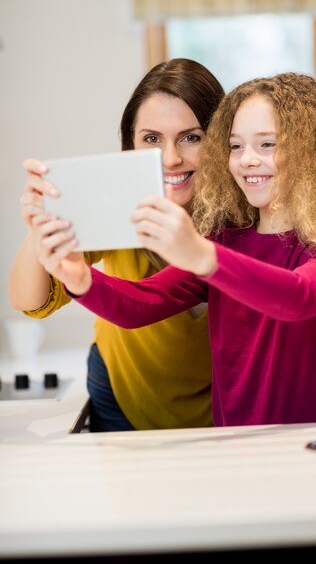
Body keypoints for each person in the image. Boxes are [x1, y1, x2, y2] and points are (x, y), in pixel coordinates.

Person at [28, 72, 316, 426]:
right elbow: (140, 305)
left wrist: (203, 257)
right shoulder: (225, 240)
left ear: (313, 153)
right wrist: (77, 277)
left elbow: (299, 297)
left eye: (267, 144)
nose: (247, 159)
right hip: (235, 450)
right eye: (236, 146)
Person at [8, 58, 225, 432]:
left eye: (192, 137)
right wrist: (37, 224)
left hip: (223, 402)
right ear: (130, 145)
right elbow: (30, 301)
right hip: (124, 395)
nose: (171, 158)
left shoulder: (244, 220)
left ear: (221, 141)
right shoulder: (112, 206)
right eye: (151, 139)